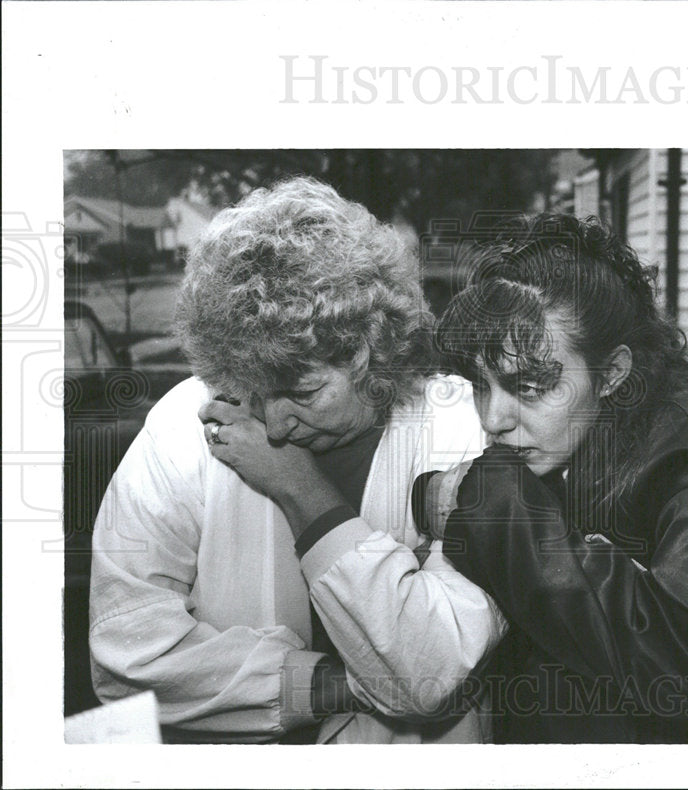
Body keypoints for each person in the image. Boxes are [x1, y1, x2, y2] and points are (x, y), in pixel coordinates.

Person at [88, 177, 506, 744]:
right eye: (254, 392)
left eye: (304, 393)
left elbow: (429, 668)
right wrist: (340, 682)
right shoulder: (184, 425)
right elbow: (125, 654)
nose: (276, 426)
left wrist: (300, 488)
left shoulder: (465, 429)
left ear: (373, 354)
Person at [422, 213, 688, 743]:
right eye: (483, 384)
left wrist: (494, 508)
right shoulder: (569, 433)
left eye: (529, 387)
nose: (493, 418)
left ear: (612, 372)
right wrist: (439, 497)